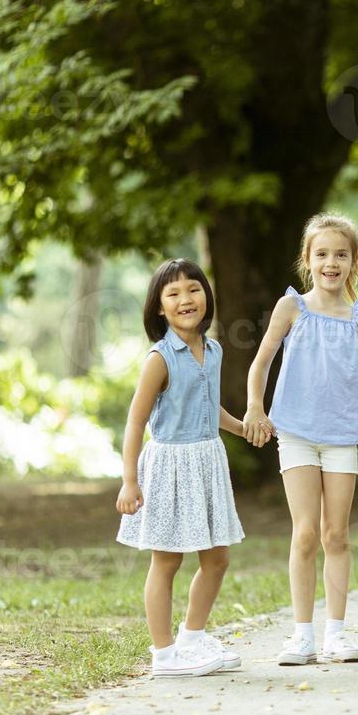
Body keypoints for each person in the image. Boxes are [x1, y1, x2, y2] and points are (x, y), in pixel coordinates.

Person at [243, 213, 358, 666]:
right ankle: (301, 635)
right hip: (297, 433)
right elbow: (260, 363)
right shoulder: (291, 308)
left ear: (353, 261)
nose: (331, 262)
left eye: (341, 254)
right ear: (308, 259)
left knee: (336, 534)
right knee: (305, 533)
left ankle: (335, 635)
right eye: (322, 254)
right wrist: (255, 409)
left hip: (341, 437)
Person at [115, 258, 246, 677]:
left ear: (207, 296)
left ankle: (192, 637)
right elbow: (136, 420)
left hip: (207, 462)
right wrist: (129, 481)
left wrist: (241, 427)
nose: (185, 299)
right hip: (171, 467)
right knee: (167, 562)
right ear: (159, 307)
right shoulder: (160, 358)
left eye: (193, 289)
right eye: (173, 293)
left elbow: (209, 405)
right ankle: (165, 654)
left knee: (217, 559)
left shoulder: (214, 349)